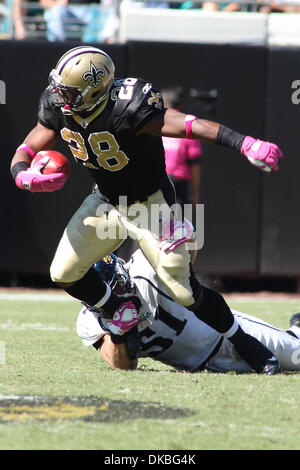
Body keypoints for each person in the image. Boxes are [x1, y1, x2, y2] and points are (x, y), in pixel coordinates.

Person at [10, 45, 283, 375]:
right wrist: (22, 173)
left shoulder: (130, 105)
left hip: (150, 206)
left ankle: (244, 343)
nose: (60, 95)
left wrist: (244, 143)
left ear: (94, 91)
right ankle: (118, 308)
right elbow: (29, 144)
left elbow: (189, 125)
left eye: (69, 91)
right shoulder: (58, 102)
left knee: (185, 292)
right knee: (63, 272)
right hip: (106, 201)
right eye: (60, 87)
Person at [76, 250, 300, 373]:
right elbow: (123, 365)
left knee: (297, 356)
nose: (117, 297)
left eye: (118, 287)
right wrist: (118, 332)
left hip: (224, 335)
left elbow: (188, 248)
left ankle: (296, 329)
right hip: (199, 367)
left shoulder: (143, 268)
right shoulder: (91, 320)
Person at [161, 87, 202, 209]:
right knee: (178, 224)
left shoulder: (156, 124)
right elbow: (195, 164)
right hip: (179, 184)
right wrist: (196, 193)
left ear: (163, 104)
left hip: (158, 180)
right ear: (181, 105)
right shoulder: (187, 126)